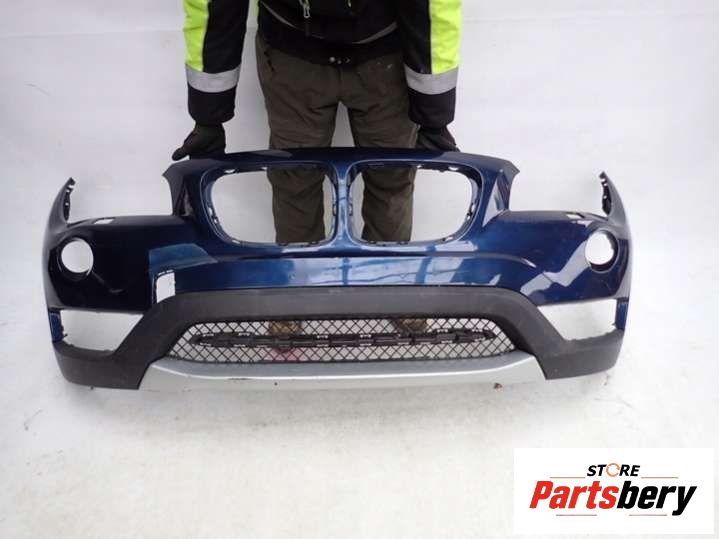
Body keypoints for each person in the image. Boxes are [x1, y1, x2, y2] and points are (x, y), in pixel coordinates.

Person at [172, 0, 462, 245]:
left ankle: (387, 282)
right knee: (294, 179)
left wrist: (434, 116)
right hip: (292, 54)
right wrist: (208, 116)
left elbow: (435, 5)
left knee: (391, 176)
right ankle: (298, 284)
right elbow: (214, 5)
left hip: (384, 58)